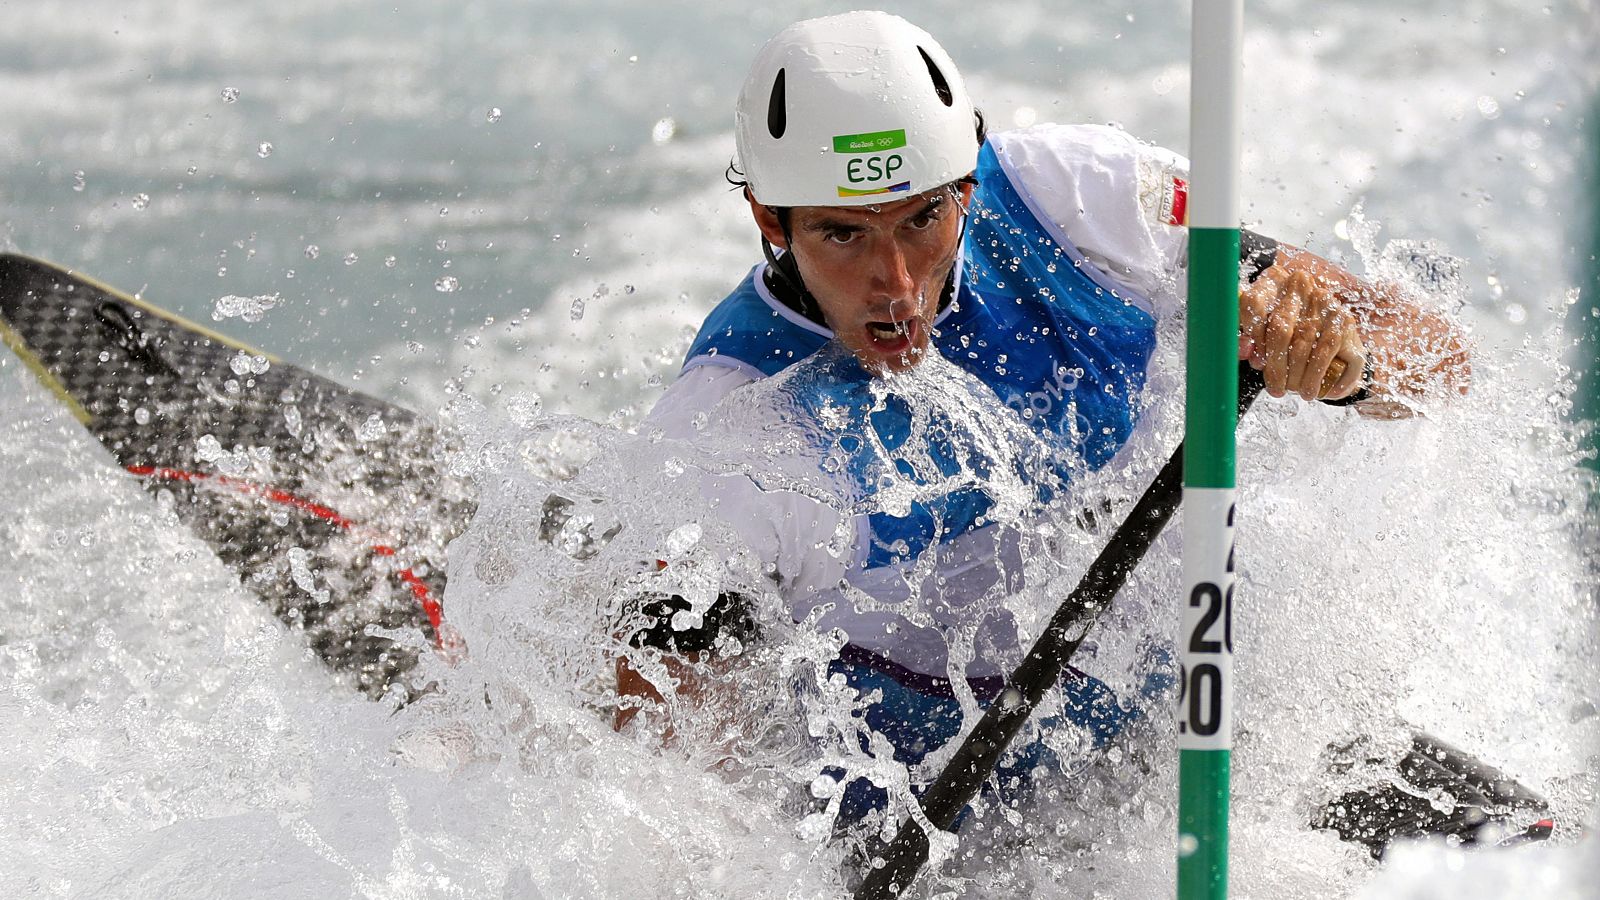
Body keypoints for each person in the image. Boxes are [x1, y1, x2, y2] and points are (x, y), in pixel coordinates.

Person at [611, 10, 1469, 835]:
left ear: (969, 182)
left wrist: (1341, 363)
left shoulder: (1085, 205)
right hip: (922, 830)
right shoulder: (726, 437)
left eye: (922, 219)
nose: (898, 284)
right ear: (770, 219)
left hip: (1191, 730)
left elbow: (1442, 362)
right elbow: (660, 791)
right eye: (842, 235)